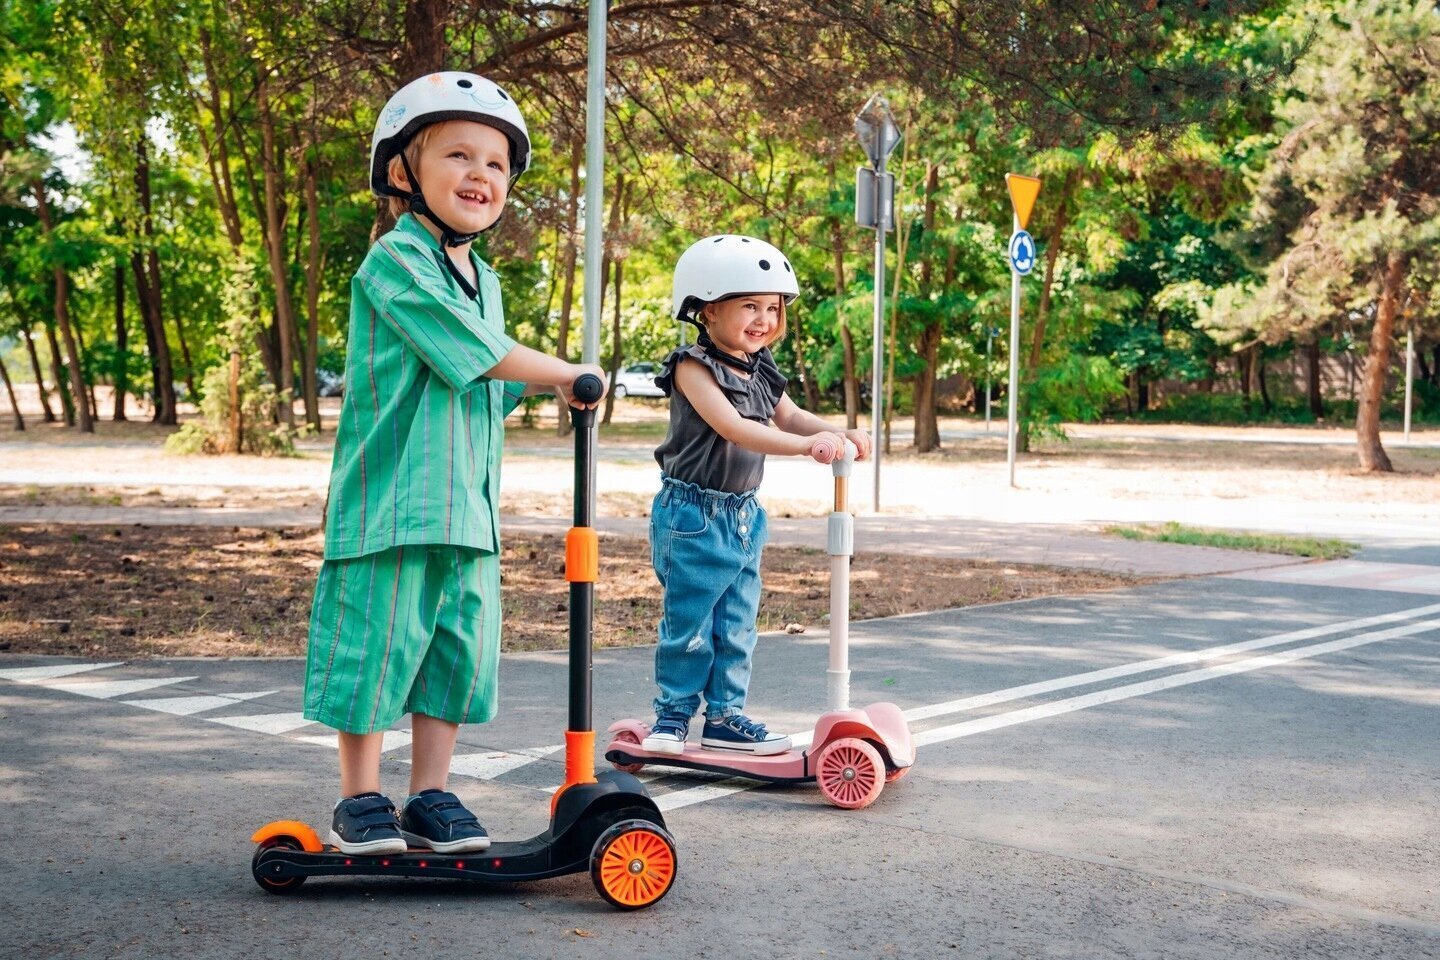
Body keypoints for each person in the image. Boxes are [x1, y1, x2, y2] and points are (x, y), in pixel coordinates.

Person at [302, 72, 604, 856]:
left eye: (497, 163)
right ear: (404, 172)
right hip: (393, 500)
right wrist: (559, 370)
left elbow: (477, 383)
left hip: (467, 506)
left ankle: (430, 795)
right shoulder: (394, 262)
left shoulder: (487, 281)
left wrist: (554, 391)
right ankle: (359, 798)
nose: (481, 175)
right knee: (377, 644)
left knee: (453, 651)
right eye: (459, 155)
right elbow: (475, 353)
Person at [640, 235, 871, 757]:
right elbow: (736, 427)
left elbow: (788, 416)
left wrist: (839, 431)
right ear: (706, 308)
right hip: (692, 515)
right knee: (692, 623)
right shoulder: (692, 367)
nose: (763, 318)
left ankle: (724, 716)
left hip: (743, 515)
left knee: (738, 624)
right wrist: (806, 446)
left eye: (772, 307)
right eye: (749, 305)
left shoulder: (759, 364)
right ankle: (674, 716)